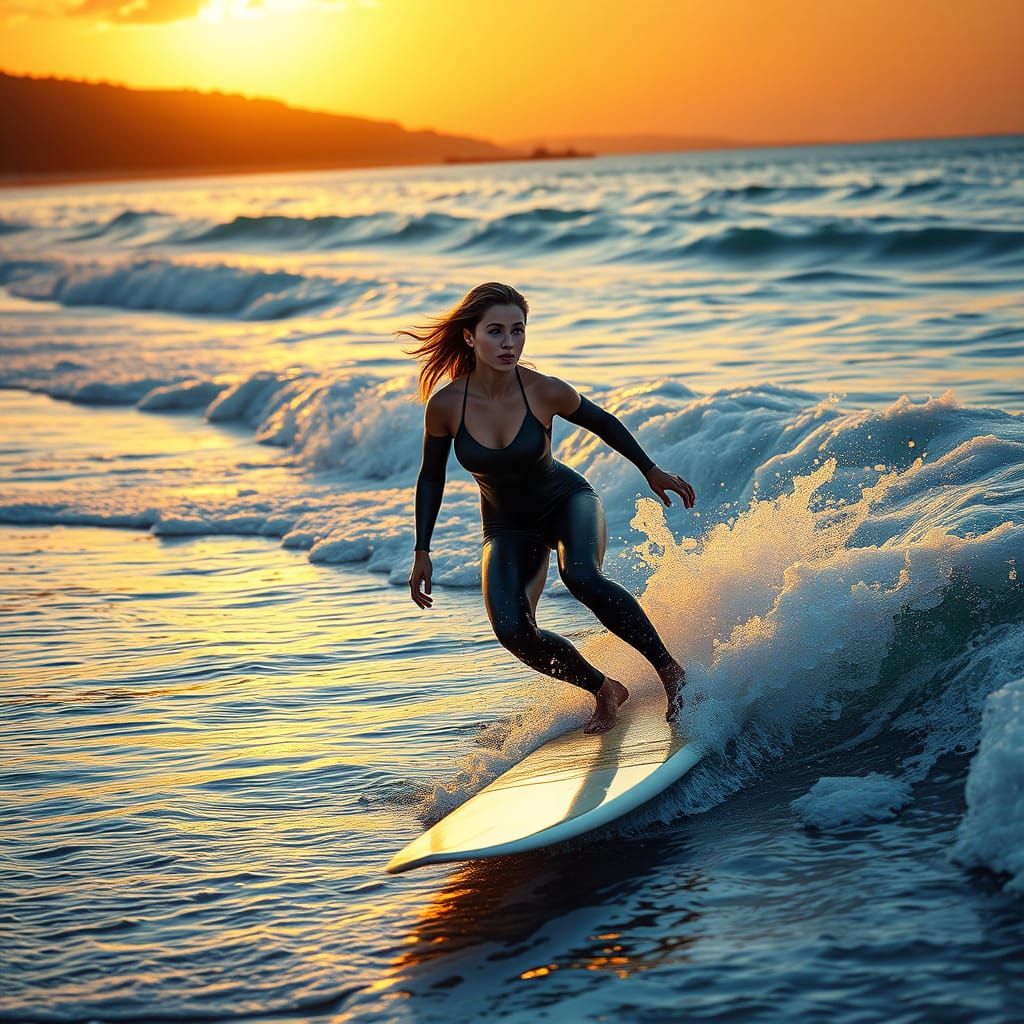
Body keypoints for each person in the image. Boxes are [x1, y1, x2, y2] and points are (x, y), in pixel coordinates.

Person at [398, 282, 696, 735]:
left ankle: (671, 672)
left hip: (566, 502)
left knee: (582, 576)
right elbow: (431, 477)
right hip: (506, 527)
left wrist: (650, 470)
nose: (509, 343)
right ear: (469, 336)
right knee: (513, 629)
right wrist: (422, 550)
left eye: (517, 330)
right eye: (496, 331)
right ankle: (604, 689)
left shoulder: (543, 390)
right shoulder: (445, 406)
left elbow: (603, 422)